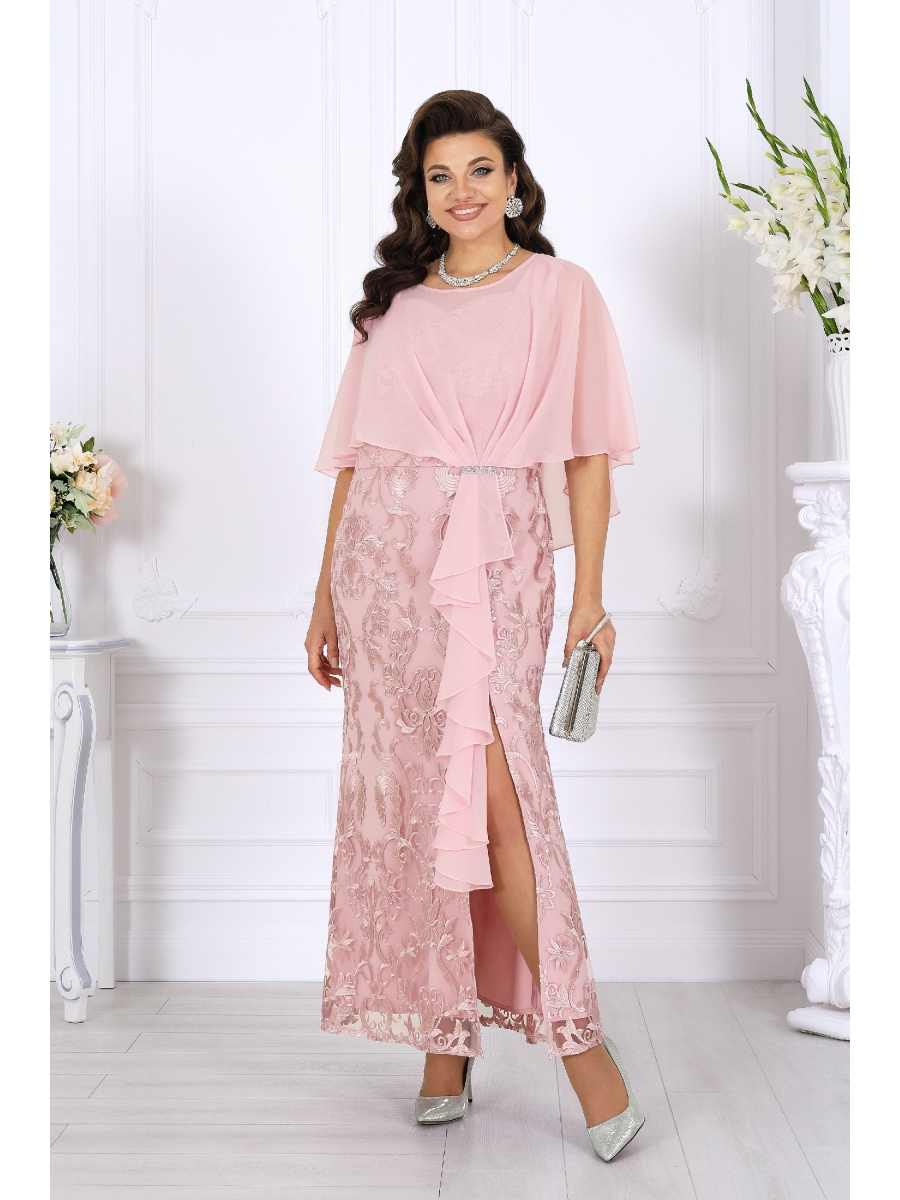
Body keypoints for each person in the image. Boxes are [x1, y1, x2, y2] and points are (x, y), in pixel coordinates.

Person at [306, 90, 643, 1162]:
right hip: (386, 576)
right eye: (440, 176)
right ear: (420, 191)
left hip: (500, 568)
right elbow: (357, 464)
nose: (462, 192)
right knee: (418, 800)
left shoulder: (560, 291)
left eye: (480, 170)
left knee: (502, 802)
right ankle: (442, 1041)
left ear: (515, 179)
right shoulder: (396, 308)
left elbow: (587, 455)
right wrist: (324, 597)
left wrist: (590, 595)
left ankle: (584, 1051)